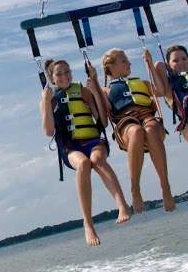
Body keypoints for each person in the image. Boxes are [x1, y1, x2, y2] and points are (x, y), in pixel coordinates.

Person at [40, 59, 131, 246]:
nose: (64, 76)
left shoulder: (82, 91)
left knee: (97, 159)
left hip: (93, 139)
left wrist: (95, 91)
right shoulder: (49, 98)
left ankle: (122, 205)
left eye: (67, 72)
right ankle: (88, 224)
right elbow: (49, 131)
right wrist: (46, 102)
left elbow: (103, 122)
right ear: (52, 78)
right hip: (70, 147)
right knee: (84, 164)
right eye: (59, 74)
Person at [96, 48, 175, 214]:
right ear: (111, 66)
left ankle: (165, 186)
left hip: (149, 119)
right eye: (124, 61)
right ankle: (135, 189)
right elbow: (105, 113)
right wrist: (95, 84)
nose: (129, 63)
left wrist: (150, 65)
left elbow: (160, 91)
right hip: (126, 126)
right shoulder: (105, 90)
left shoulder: (142, 83)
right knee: (136, 131)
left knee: (151, 128)